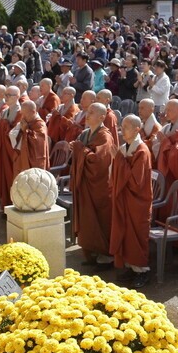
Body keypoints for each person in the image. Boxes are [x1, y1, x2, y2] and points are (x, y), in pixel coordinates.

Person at [110, 114, 154, 287]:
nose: (122, 129)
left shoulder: (142, 151)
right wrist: (118, 160)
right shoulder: (124, 147)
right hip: (124, 198)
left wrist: (119, 160)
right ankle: (130, 265)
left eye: (126, 126)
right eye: (122, 126)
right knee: (125, 232)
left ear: (137, 129)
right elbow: (117, 173)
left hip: (138, 201)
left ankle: (142, 271)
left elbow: (137, 181)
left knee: (137, 235)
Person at [70, 103, 115, 266]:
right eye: (87, 112)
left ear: (102, 117)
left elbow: (99, 162)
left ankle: (106, 255)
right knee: (87, 219)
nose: (87, 115)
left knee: (100, 220)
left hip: (99, 186)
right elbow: (84, 152)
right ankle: (93, 252)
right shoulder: (87, 133)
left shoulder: (104, 136)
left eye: (91, 112)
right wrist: (76, 149)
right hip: (87, 185)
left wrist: (80, 150)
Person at [155, 98, 178, 184]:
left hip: (174, 174)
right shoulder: (167, 127)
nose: (166, 113)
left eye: (169, 110)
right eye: (166, 110)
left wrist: (165, 141)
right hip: (164, 168)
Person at [11, 99, 50, 175]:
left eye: (25, 114)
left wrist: (26, 130)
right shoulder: (26, 121)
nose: (23, 117)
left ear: (33, 112)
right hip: (22, 157)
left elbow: (38, 142)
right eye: (22, 114)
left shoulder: (40, 124)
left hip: (35, 159)